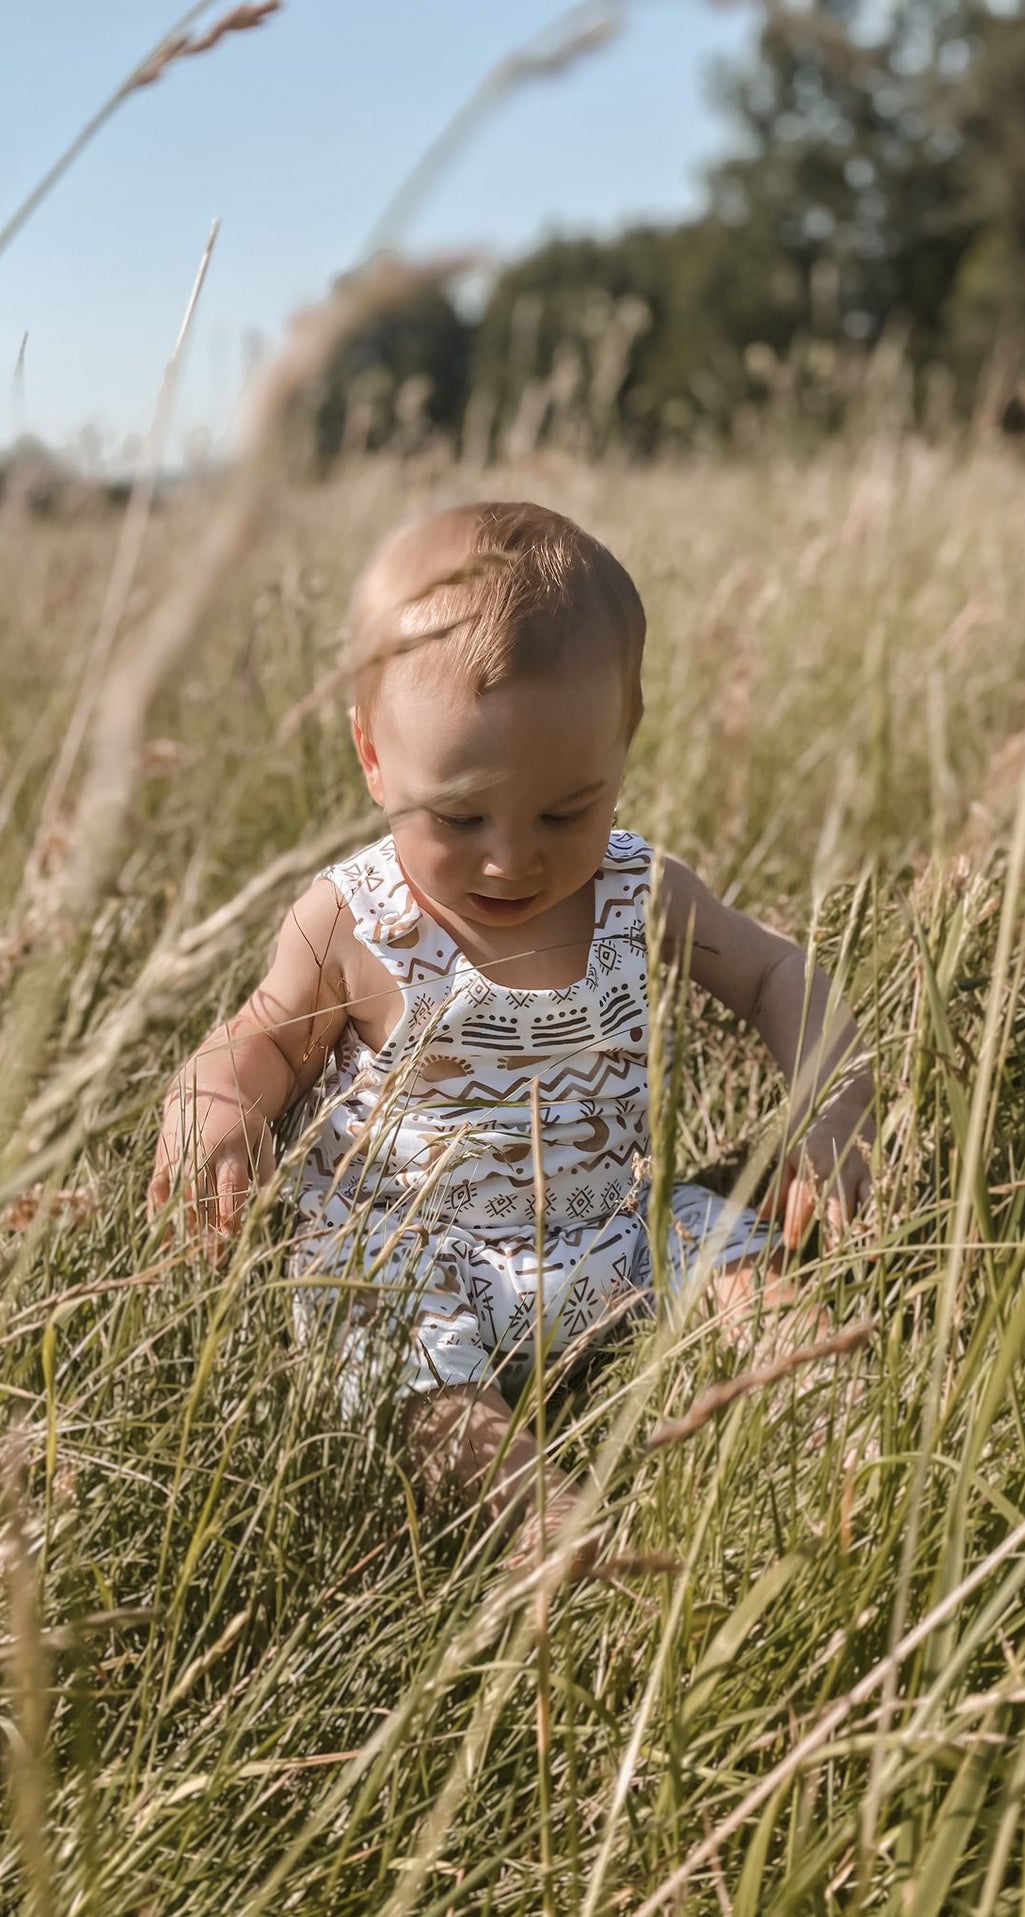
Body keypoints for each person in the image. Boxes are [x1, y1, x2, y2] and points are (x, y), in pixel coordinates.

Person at [149, 501, 873, 1560]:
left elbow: (774, 972)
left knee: (729, 1261)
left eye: (562, 812)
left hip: (610, 1221)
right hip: (415, 1255)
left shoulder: (635, 888)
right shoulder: (355, 921)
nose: (508, 861)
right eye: (459, 819)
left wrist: (827, 1100)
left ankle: (852, 1442)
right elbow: (260, 1036)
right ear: (373, 762)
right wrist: (212, 1105)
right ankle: (555, 1534)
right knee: (407, 1374)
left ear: (620, 751)